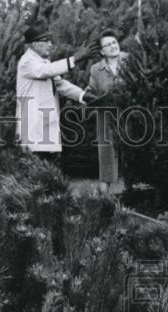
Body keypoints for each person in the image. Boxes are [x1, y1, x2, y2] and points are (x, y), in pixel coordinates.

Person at [15, 23, 99, 161]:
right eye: (46, 40)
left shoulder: (44, 62)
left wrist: (84, 96)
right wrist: (76, 58)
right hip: (31, 125)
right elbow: (46, 72)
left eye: (50, 40)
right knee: (33, 169)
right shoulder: (27, 61)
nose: (50, 44)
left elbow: (60, 84)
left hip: (45, 122)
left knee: (47, 168)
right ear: (34, 44)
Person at [87, 30, 129, 193]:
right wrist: (89, 93)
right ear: (102, 51)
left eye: (114, 42)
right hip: (106, 113)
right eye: (107, 45)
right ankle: (104, 191)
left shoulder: (130, 60)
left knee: (132, 149)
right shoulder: (96, 69)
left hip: (129, 112)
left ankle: (132, 188)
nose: (112, 46)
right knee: (106, 149)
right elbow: (92, 90)